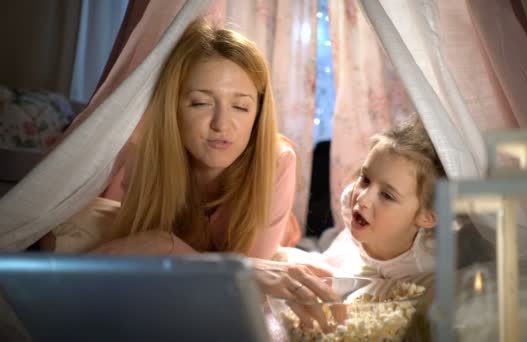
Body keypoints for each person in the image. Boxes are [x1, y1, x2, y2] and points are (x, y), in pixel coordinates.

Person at [39, 17, 341, 328]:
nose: (221, 125)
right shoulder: (137, 155)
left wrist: (162, 247)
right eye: (200, 103)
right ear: (174, 106)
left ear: (258, 113)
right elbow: (91, 267)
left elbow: (240, 293)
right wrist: (160, 244)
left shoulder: (276, 162)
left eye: (241, 106)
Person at [277, 118, 446, 297]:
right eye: (365, 179)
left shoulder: (430, 259)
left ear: (427, 217)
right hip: (350, 256)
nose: (363, 198)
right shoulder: (353, 202)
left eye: (387, 195)